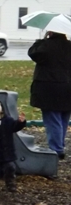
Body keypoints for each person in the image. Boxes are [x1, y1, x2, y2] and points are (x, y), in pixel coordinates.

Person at [28, 30, 71, 159]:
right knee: (63, 118)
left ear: (51, 32)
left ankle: (56, 149)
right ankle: (59, 145)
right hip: (68, 86)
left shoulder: (45, 46)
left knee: (52, 119)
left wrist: (41, 40)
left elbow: (33, 53)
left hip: (49, 87)